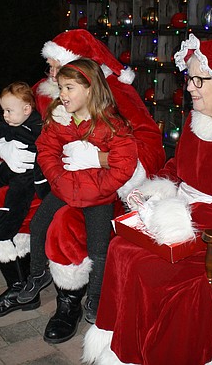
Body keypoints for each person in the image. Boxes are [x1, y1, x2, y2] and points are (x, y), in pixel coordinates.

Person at [81, 35, 212, 365]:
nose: (189, 87)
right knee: (120, 247)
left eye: (197, 80)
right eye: (188, 78)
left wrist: (169, 216)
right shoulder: (199, 119)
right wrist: (152, 192)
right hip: (198, 220)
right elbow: (180, 168)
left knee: (151, 267)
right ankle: (124, 351)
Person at [0, 30, 164, 324]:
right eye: (49, 66)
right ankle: (23, 287)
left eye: (56, 67)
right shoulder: (47, 90)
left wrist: (98, 158)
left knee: (65, 228)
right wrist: (4, 147)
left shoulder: (115, 95)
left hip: (103, 189)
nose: (50, 74)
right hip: (52, 183)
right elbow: (17, 118)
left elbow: (147, 145)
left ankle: (70, 303)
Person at [17, 59, 138, 343]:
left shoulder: (112, 124)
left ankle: (94, 299)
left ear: (90, 89)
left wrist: (96, 184)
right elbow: (46, 150)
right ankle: (38, 275)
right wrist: (59, 178)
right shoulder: (60, 119)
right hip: (63, 189)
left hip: (98, 197)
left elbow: (124, 163)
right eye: (61, 88)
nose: (63, 94)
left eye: (69, 87)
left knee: (98, 249)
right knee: (38, 226)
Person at [0, 82, 50, 316]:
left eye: (9, 111)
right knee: (10, 226)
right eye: (3, 111)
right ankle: (23, 285)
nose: (5, 116)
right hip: (14, 185)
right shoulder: (14, 120)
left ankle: (20, 289)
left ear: (27, 109)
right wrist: (1, 149)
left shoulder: (39, 121)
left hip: (36, 189)